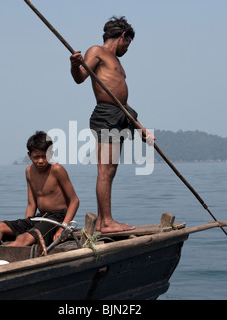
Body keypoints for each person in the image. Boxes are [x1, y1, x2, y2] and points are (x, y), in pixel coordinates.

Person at [69, 16, 155, 233]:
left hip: (120, 115)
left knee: (110, 170)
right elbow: (79, 78)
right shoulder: (97, 51)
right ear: (124, 36)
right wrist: (73, 64)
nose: (127, 49)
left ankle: (101, 221)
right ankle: (107, 222)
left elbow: (122, 102)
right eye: (128, 43)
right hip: (107, 115)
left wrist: (140, 128)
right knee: (105, 170)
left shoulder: (116, 60)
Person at [0, 131, 79, 247]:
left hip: (56, 219)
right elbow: (32, 204)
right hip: (39, 217)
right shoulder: (29, 171)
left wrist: (63, 227)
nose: (41, 161)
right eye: (36, 157)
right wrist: (26, 225)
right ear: (29, 155)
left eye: (44, 156)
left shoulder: (57, 170)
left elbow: (74, 201)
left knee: (23, 238)